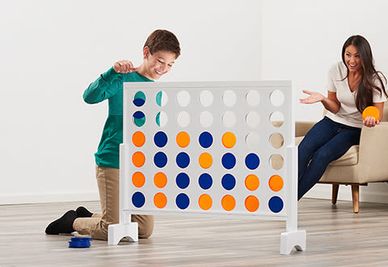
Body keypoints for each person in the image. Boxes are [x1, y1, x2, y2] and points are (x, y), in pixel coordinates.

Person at [45, 29, 181, 240]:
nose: (163, 69)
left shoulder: (156, 90)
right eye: (160, 61)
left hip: (140, 165)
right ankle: (73, 221)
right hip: (113, 160)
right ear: (146, 52)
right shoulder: (122, 78)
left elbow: (149, 130)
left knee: (143, 229)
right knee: (112, 228)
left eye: (170, 65)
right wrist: (112, 73)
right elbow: (89, 97)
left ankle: (90, 216)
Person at [298, 35, 387, 200]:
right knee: (303, 150)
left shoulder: (375, 78)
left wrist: (371, 118)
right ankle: (282, 197)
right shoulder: (336, 70)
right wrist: (324, 99)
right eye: (348, 54)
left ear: (365, 56)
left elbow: (378, 112)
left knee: (322, 155)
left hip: (354, 129)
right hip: (332, 121)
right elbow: (335, 106)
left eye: (357, 56)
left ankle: (289, 201)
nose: (351, 60)